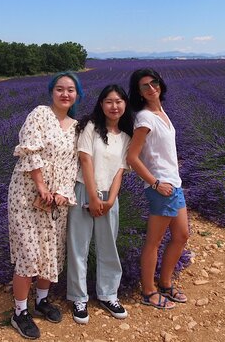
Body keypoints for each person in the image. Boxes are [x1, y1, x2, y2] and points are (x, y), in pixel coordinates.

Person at [7, 71, 83, 339]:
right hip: (27, 195)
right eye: (60, 89)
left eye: (70, 90)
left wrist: (63, 193)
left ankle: (40, 301)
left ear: (77, 95)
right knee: (28, 252)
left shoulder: (76, 126)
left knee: (49, 251)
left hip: (55, 201)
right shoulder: (39, 114)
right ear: (52, 92)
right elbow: (30, 149)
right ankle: (19, 312)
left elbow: (72, 165)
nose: (65, 94)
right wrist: (42, 186)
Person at [67, 85, 133, 324]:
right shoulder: (90, 128)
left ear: (125, 105)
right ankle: (78, 297)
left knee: (108, 246)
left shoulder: (127, 136)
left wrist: (111, 199)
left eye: (118, 101)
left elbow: (120, 172)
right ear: (101, 104)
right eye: (108, 101)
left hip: (109, 195)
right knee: (78, 246)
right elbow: (85, 160)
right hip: (85, 190)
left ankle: (108, 294)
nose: (114, 106)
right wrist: (94, 197)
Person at [126, 68, 189, 310]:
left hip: (175, 184)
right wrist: (154, 183)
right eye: (145, 86)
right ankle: (148, 291)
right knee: (154, 242)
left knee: (182, 235)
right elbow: (132, 157)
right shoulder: (144, 118)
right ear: (139, 92)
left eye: (154, 83)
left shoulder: (161, 111)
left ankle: (164, 282)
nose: (152, 88)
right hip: (162, 187)